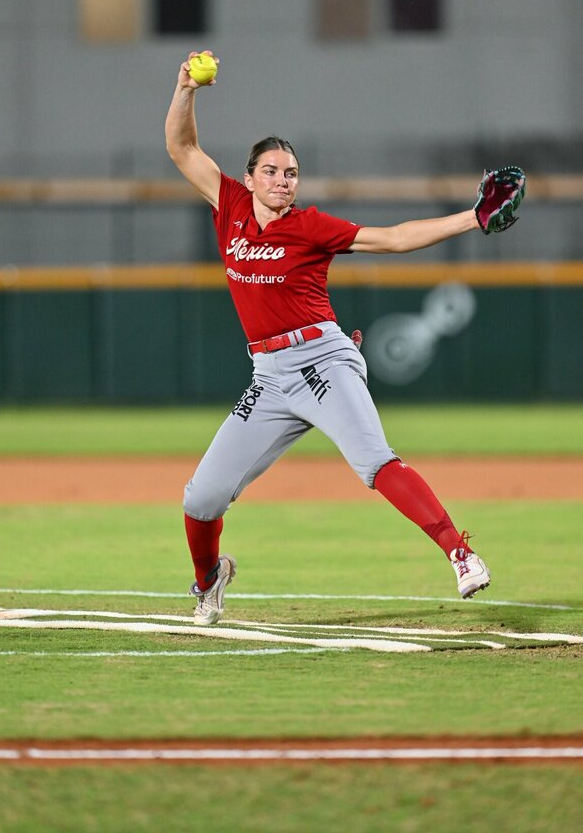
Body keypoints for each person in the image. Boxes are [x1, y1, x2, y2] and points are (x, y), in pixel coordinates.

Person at [165, 50, 491, 627]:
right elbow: (182, 149)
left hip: (323, 361)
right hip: (268, 378)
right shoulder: (231, 207)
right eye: (270, 170)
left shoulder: (309, 226)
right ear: (249, 177)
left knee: (373, 460)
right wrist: (186, 88)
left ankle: (459, 552)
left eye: (290, 173)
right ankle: (208, 581)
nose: (281, 180)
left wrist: (472, 217)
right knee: (200, 499)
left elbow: (392, 238)